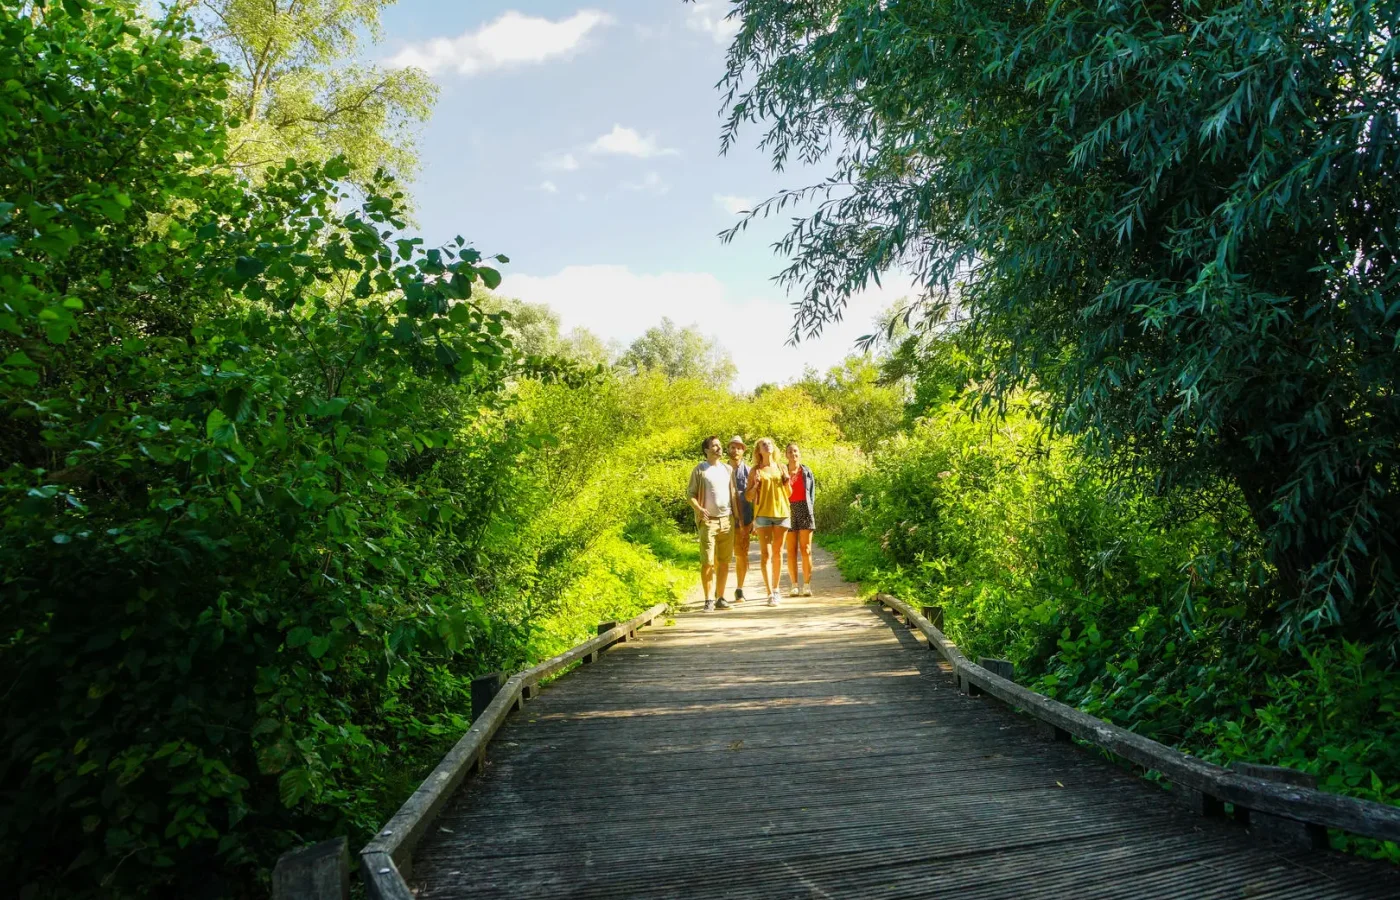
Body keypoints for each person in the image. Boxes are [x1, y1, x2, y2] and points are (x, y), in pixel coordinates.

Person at [687, 435, 739, 612]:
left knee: (724, 562)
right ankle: (708, 599)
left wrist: (737, 518)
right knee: (707, 561)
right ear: (706, 450)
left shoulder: (727, 469)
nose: (719, 448)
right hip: (708, 522)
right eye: (714, 446)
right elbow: (690, 495)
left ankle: (720, 598)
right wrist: (699, 509)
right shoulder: (700, 470)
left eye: (719, 445)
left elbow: (733, 495)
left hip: (727, 520)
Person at [744, 437, 790, 606]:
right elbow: (748, 496)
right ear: (758, 451)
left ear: (773, 448)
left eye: (769, 443)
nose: (767, 445)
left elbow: (789, 493)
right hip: (763, 514)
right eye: (763, 444)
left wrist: (786, 480)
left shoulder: (781, 467)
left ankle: (777, 590)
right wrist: (755, 486)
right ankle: (769, 592)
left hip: (782, 513)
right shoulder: (755, 470)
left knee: (778, 553)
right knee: (766, 554)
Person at [784, 442, 816, 597]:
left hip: (804, 508)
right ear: (786, 455)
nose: (793, 454)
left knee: (806, 549)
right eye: (790, 451)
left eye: (795, 451)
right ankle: (794, 585)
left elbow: (812, 494)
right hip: (788, 509)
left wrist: (810, 511)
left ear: (799, 453)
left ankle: (807, 585)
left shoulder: (807, 471)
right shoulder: (782, 471)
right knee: (791, 551)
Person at [727, 435, 753, 603]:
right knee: (720, 556)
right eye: (732, 447)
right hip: (724, 519)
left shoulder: (749, 471)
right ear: (728, 449)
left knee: (742, 554)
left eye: (738, 447)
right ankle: (719, 591)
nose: (735, 450)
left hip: (743, 521)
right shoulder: (721, 469)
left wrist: (753, 521)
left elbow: (755, 498)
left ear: (743, 450)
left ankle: (739, 589)